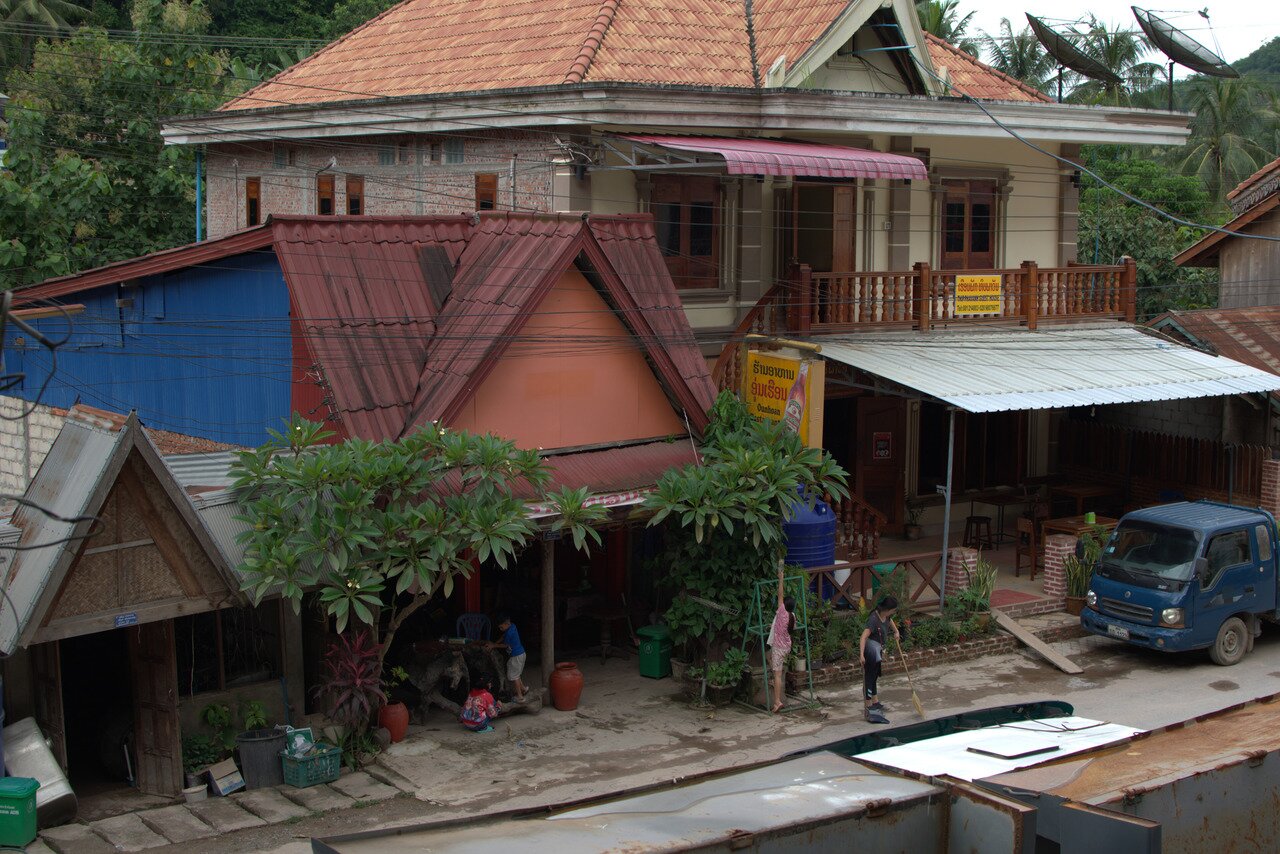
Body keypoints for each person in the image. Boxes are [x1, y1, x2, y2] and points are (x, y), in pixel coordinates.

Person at [859, 596, 899, 724]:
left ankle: (875, 701)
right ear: (887, 609)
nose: (893, 613)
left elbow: (890, 621)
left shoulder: (886, 616)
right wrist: (861, 655)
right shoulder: (873, 619)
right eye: (893, 610)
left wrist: (896, 631)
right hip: (870, 652)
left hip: (878, 652)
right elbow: (863, 637)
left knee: (875, 676)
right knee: (869, 678)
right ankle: (868, 704)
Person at [767, 562, 796, 714]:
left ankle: (777, 701)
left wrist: (781, 578)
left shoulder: (782, 612)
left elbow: (780, 594)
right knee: (775, 667)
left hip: (778, 648)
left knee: (778, 674)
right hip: (786, 646)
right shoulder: (792, 616)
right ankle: (774, 681)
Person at [490, 613, 527, 702]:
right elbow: (503, 637)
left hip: (516, 656)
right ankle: (523, 689)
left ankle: (520, 696)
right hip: (520, 654)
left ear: (506, 624)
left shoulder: (510, 633)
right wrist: (495, 643)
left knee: (514, 676)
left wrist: (494, 645)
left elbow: (505, 645)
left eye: (501, 627)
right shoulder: (512, 626)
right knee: (516, 674)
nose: (500, 629)